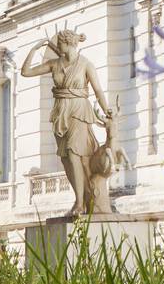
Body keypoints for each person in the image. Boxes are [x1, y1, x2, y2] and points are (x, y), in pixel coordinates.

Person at [21, 28, 111, 217]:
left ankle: (80, 204)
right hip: (61, 113)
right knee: (66, 159)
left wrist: (107, 109)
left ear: (68, 43)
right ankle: (82, 197)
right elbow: (26, 72)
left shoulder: (86, 64)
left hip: (79, 110)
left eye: (60, 43)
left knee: (73, 152)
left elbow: (98, 90)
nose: (58, 46)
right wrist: (35, 49)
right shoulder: (55, 64)